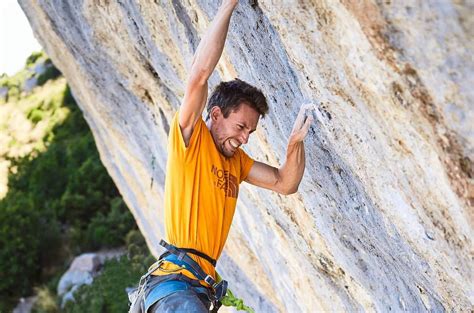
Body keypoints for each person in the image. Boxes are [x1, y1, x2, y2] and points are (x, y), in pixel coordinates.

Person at [128, 0, 315, 312]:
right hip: (175, 286)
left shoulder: (237, 163)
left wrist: (295, 144)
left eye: (250, 133)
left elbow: (285, 183)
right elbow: (199, 75)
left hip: (190, 289)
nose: (243, 139)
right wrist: (228, 6)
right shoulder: (192, 138)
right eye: (241, 127)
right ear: (215, 114)